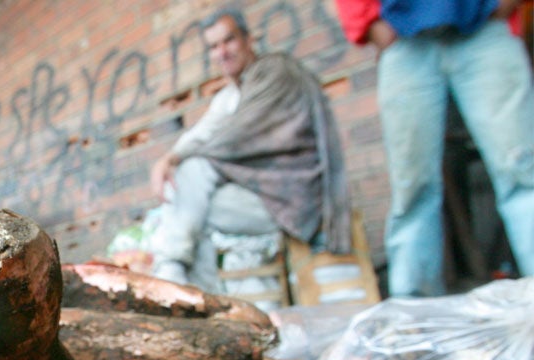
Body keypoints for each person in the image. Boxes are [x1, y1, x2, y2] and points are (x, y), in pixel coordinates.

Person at [335, 0, 534, 297]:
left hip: (484, 24)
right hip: (404, 40)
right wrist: (367, 22)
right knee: (412, 189)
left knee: (522, 170)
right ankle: (413, 315)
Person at [148, 9, 351, 293]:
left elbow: (231, 141)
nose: (222, 52)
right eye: (214, 47)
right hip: (253, 199)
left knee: (192, 180)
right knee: (190, 205)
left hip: (291, 199)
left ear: (248, 39)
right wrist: (167, 160)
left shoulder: (275, 74)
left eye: (229, 41)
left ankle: (172, 274)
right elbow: (200, 136)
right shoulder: (228, 98)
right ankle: (194, 300)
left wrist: (183, 162)